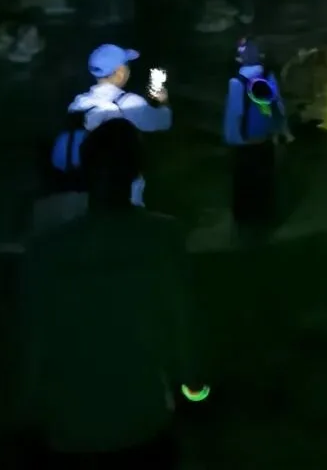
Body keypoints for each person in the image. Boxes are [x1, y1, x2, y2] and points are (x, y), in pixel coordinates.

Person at [17, 118, 204, 466]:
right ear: (137, 172)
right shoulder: (164, 237)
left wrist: (29, 411)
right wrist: (191, 385)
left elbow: (34, 338)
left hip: (68, 424)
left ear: (86, 170)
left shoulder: (47, 248)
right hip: (142, 418)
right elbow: (181, 323)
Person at [63, 44, 172, 207]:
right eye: (127, 65)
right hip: (124, 197)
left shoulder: (78, 103)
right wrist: (163, 101)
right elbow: (164, 122)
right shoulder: (129, 103)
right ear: (120, 72)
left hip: (85, 189)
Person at [222, 38, 292, 226]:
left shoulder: (236, 83)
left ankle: (244, 219)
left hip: (244, 143)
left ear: (240, 59)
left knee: (244, 182)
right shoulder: (268, 77)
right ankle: (266, 216)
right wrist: (282, 130)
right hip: (265, 140)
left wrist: (231, 139)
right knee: (265, 180)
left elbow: (234, 114)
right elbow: (278, 106)